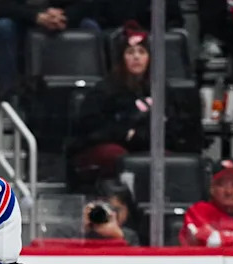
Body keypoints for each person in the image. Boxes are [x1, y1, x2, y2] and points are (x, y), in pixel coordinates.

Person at [67, 23, 200, 184]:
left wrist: (145, 136)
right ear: (121, 58)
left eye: (141, 52)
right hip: (111, 145)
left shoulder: (162, 89)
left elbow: (174, 123)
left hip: (147, 144)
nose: (136, 57)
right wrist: (125, 134)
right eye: (130, 52)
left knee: (168, 159)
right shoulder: (104, 90)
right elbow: (92, 128)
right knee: (114, 155)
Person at [0, 1, 101, 102]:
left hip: (61, 18)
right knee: (3, 28)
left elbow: (87, 4)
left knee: (90, 27)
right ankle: (9, 94)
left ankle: (91, 96)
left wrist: (64, 16)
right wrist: (36, 17)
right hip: (22, 19)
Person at [180, 157, 233, 247]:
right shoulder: (198, 212)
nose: (228, 191)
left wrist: (223, 236)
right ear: (212, 188)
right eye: (221, 185)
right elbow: (206, 239)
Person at [80, 180, 140, 245]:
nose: (112, 214)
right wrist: (83, 230)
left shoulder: (130, 236)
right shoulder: (84, 231)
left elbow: (136, 253)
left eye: (116, 210)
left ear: (127, 211)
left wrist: (119, 237)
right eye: (106, 209)